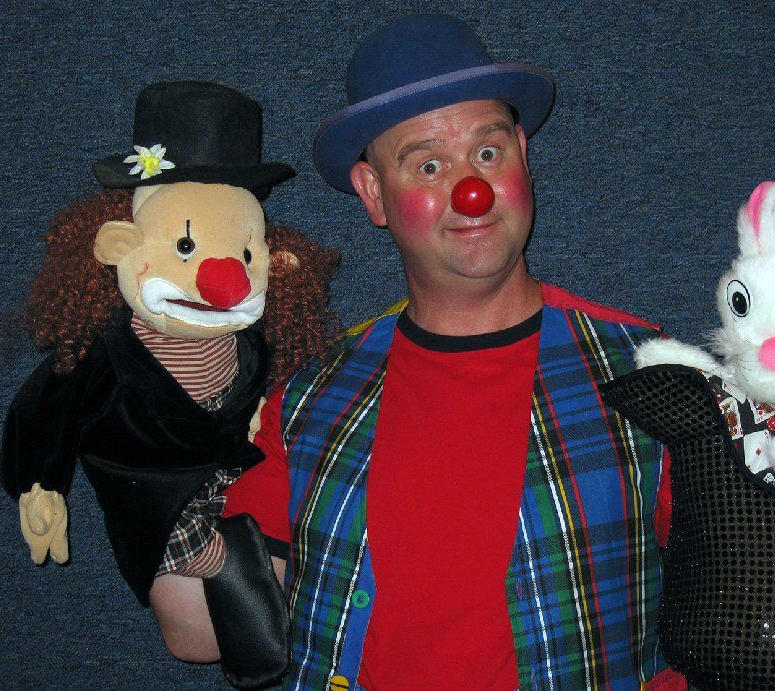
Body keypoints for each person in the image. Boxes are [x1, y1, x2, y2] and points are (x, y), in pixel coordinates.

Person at [223, 13, 686, 689]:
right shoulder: (307, 397)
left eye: (489, 152)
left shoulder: (654, 372)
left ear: (523, 153)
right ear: (374, 193)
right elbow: (198, 630)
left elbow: (756, 585)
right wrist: (156, 447)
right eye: (430, 164)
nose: (471, 190)